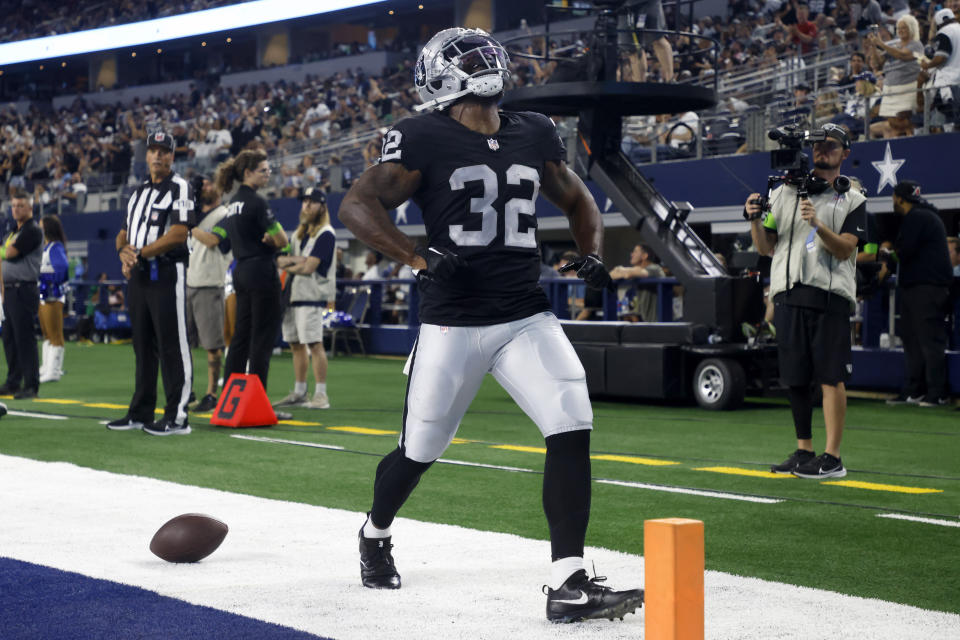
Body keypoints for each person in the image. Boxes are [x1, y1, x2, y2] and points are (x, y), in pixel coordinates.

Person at [339, 27, 643, 623]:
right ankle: (375, 532)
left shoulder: (532, 130)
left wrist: (592, 253)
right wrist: (418, 257)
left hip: (524, 312)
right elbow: (356, 205)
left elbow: (579, 201)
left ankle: (568, 581)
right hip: (453, 322)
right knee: (421, 448)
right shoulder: (423, 136)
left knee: (571, 417)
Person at [747, 124, 866, 479]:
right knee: (795, 378)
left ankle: (833, 457)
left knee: (830, 376)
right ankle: (804, 450)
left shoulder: (852, 198)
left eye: (830, 145)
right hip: (787, 292)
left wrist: (818, 225)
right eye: (816, 145)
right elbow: (765, 247)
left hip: (828, 295)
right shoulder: (784, 192)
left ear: (845, 153)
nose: (821, 150)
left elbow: (847, 249)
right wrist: (755, 217)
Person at [108, 130, 195, 436]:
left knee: (172, 345)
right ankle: (141, 411)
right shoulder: (137, 192)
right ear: (145, 155)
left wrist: (141, 253)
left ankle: (178, 416)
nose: (158, 155)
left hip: (167, 273)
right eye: (153, 150)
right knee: (143, 346)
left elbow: (179, 232)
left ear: (173, 156)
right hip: (140, 276)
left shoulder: (180, 187)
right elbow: (124, 231)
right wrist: (124, 252)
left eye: (164, 150)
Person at [211, 150, 288, 392]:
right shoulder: (257, 202)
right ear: (247, 173)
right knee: (262, 338)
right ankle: (256, 399)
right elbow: (283, 240)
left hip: (240, 270)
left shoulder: (232, 203)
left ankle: (230, 398)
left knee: (240, 337)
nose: (268, 175)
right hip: (261, 272)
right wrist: (273, 241)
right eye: (263, 170)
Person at [885, 180, 952, 407]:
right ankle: (916, 391)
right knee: (913, 340)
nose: (892, 201)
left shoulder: (917, 217)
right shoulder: (924, 215)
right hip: (918, 287)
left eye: (894, 197)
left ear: (900, 198)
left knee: (929, 341)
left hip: (927, 288)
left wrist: (886, 256)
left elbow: (903, 251)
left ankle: (937, 393)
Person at [274, 187, 336, 410]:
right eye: (305, 202)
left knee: (314, 344)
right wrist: (297, 261)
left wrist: (292, 262)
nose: (307, 206)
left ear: (322, 206)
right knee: (295, 344)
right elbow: (283, 259)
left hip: (311, 295)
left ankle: (321, 395)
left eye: (312, 202)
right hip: (293, 295)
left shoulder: (326, 233)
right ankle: (299, 392)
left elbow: (310, 266)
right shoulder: (299, 234)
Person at [185, 175, 230, 413]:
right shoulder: (196, 216)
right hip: (189, 282)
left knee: (212, 345)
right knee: (185, 345)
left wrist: (189, 225)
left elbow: (213, 240)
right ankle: (186, 390)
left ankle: (212, 393)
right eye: (204, 185)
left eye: (211, 183)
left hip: (210, 284)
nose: (206, 188)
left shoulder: (226, 214)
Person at [0, 190, 43, 399]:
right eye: (14, 205)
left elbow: (9, 253)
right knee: (9, 337)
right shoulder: (11, 233)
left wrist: (2, 249)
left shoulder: (32, 230)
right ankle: (13, 382)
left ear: (30, 208)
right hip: (8, 291)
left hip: (23, 289)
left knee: (25, 338)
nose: (16, 209)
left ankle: (31, 385)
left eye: (21, 205)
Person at [866, 15, 923, 139]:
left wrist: (881, 43)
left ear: (912, 28)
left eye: (904, 28)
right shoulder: (895, 46)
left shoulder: (916, 45)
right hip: (890, 91)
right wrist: (873, 46)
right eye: (899, 28)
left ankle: (913, 145)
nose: (901, 30)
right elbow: (877, 64)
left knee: (906, 122)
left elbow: (903, 56)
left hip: (906, 89)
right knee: (894, 124)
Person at [38, 215, 69, 383]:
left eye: (40, 227)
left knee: (55, 333)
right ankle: (46, 367)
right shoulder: (46, 247)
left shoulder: (55, 247)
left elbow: (62, 268)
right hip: (43, 295)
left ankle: (54, 371)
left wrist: (46, 279)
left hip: (52, 295)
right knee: (46, 333)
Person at [921, 9, 960, 128]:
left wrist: (926, 65)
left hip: (951, 82)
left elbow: (941, 58)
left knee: (950, 119)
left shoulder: (944, 32)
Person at [610, 244, 664, 322]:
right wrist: (621, 270)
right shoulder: (637, 272)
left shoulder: (655, 268)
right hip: (648, 323)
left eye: (635, 252)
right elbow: (611, 275)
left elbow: (628, 274)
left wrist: (620, 269)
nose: (631, 254)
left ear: (644, 256)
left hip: (661, 323)